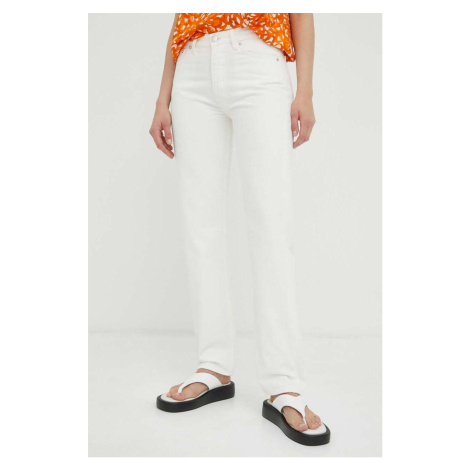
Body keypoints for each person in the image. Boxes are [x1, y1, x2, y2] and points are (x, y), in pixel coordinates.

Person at [150, 13, 330, 446]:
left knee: (271, 225)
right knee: (200, 224)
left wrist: (304, 89)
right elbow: (181, 16)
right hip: (192, 68)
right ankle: (213, 366)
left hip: (258, 61)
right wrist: (162, 97)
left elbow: (300, 11)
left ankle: (283, 384)